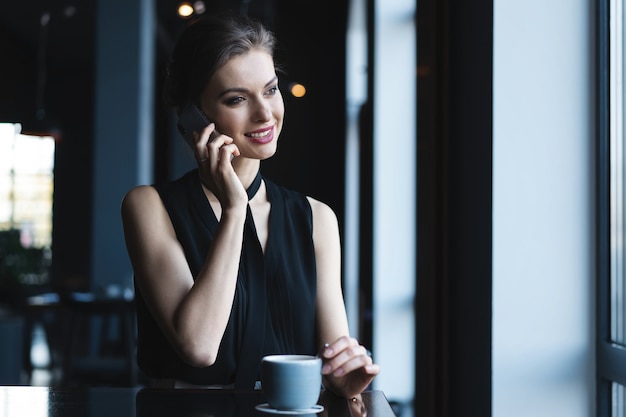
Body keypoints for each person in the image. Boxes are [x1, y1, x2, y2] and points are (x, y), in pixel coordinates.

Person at [120, 12, 379, 398]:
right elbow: (198, 346)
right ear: (195, 116)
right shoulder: (149, 207)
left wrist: (344, 379)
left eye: (271, 90)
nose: (264, 113)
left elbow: (332, 359)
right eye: (237, 98)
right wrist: (234, 210)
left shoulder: (316, 218)